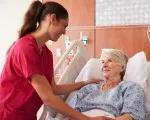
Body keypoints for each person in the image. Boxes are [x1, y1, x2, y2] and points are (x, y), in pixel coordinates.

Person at [0, 1, 105, 120]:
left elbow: (53, 89)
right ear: (53, 18)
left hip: (27, 115)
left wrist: (83, 83)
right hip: (9, 114)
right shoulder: (25, 48)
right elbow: (48, 98)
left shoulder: (47, 54)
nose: (65, 32)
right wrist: (87, 119)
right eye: (64, 26)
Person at [67, 49, 145, 120]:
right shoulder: (89, 88)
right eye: (103, 62)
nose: (104, 65)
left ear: (122, 67)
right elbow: (69, 112)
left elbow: (130, 116)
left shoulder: (131, 88)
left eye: (109, 61)